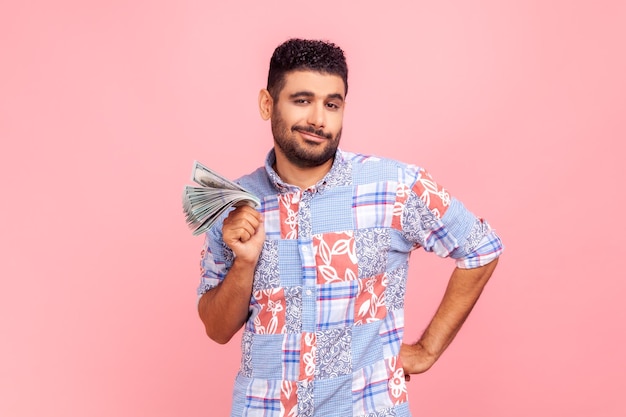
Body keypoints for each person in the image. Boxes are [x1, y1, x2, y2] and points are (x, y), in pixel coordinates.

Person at [196, 38, 503, 417]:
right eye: (302, 100)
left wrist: (427, 350)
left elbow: (481, 247)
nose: (318, 120)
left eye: (332, 104)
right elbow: (217, 328)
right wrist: (244, 263)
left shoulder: (395, 188)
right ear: (267, 103)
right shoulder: (236, 206)